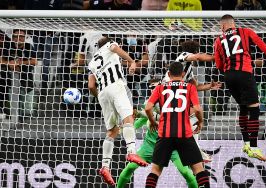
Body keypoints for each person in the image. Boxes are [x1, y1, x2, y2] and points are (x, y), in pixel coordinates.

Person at [117, 79, 218, 188]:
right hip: (150, 146)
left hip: (173, 146)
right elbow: (138, 122)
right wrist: (124, 129)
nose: (152, 90)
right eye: (151, 88)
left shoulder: (170, 103)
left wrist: (147, 116)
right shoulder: (148, 104)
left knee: (186, 173)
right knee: (130, 167)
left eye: (155, 87)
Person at [214, 14, 266, 161]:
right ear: (233, 24)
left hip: (229, 76)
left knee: (243, 107)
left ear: (222, 26)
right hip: (244, 74)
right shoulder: (245, 31)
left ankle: (246, 142)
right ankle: (254, 147)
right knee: (254, 109)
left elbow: (218, 65)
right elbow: (261, 44)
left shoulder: (218, 40)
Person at [88, 36, 148, 185]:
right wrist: (132, 61)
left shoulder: (92, 62)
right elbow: (115, 48)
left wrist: (102, 98)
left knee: (112, 131)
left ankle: (105, 167)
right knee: (128, 118)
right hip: (116, 86)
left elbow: (90, 86)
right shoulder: (111, 46)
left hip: (102, 93)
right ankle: (131, 152)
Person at [144, 61, 210, 188]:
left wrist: (152, 122)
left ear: (168, 74)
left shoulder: (160, 88)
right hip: (184, 134)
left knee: (155, 171)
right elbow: (197, 109)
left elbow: (148, 108)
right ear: (183, 74)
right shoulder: (189, 87)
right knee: (198, 169)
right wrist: (200, 121)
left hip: (164, 134)